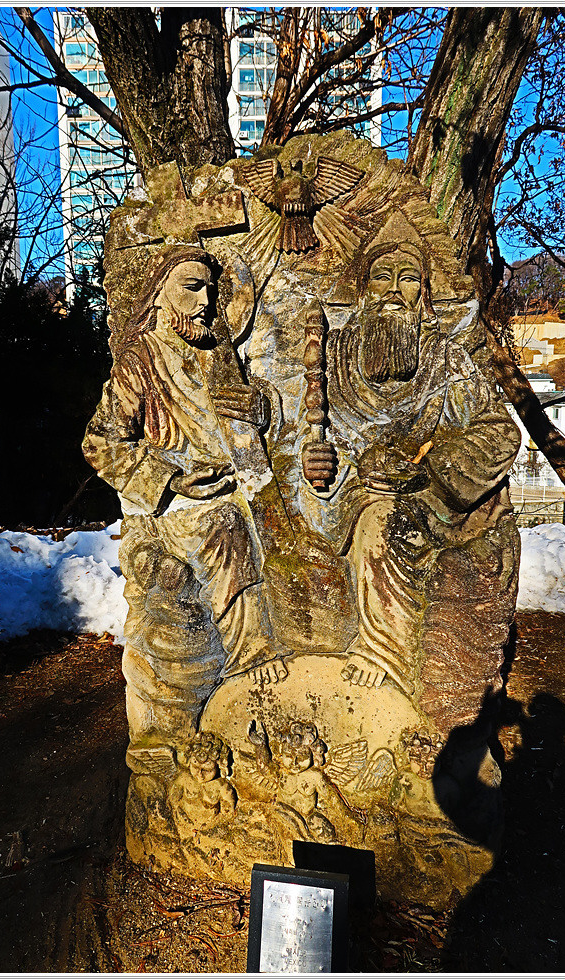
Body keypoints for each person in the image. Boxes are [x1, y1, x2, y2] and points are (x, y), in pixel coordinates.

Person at [299, 239, 521, 721]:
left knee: (385, 522)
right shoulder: (331, 361)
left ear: (424, 294)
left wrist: (431, 466)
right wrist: (313, 460)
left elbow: (500, 431)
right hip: (343, 497)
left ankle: (388, 657)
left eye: (408, 280)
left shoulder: (447, 361)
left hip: (433, 500)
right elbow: (304, 438)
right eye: (383, 277)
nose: (394, 291)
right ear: (362, 291)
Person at [83, 245, 287, 747]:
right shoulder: (142, 359)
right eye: (191, 288)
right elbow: (99, 443)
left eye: (210, 291)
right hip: (176, 511)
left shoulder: (215, 352)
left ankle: (261, 667)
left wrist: (259, 407)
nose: (205, 302)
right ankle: (248, 660)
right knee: (225, 531)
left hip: (232, 493)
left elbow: (252, 417)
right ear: (160, 295)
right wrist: (171, 479)